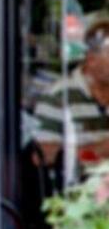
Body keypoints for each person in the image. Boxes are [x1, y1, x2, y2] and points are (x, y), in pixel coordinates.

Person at [32, 36, 109, 174]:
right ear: (92, 60)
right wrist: (100, 150)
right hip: (80, 185)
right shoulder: (58, 95)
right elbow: (43, 157)